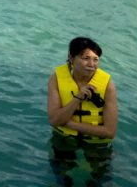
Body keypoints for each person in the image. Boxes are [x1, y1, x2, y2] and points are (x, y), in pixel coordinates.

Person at [46, 36, 118, 185]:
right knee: (63, 179)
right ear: (71, 58)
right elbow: (54, 120)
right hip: (64, 139)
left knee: (98, 180)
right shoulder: (56, 78)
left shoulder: (108, 85)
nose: (91, 64)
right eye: (86, 58)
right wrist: (77, 98)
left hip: (97, 144)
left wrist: (71, 125)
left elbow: (110, 131)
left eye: (96, 59)